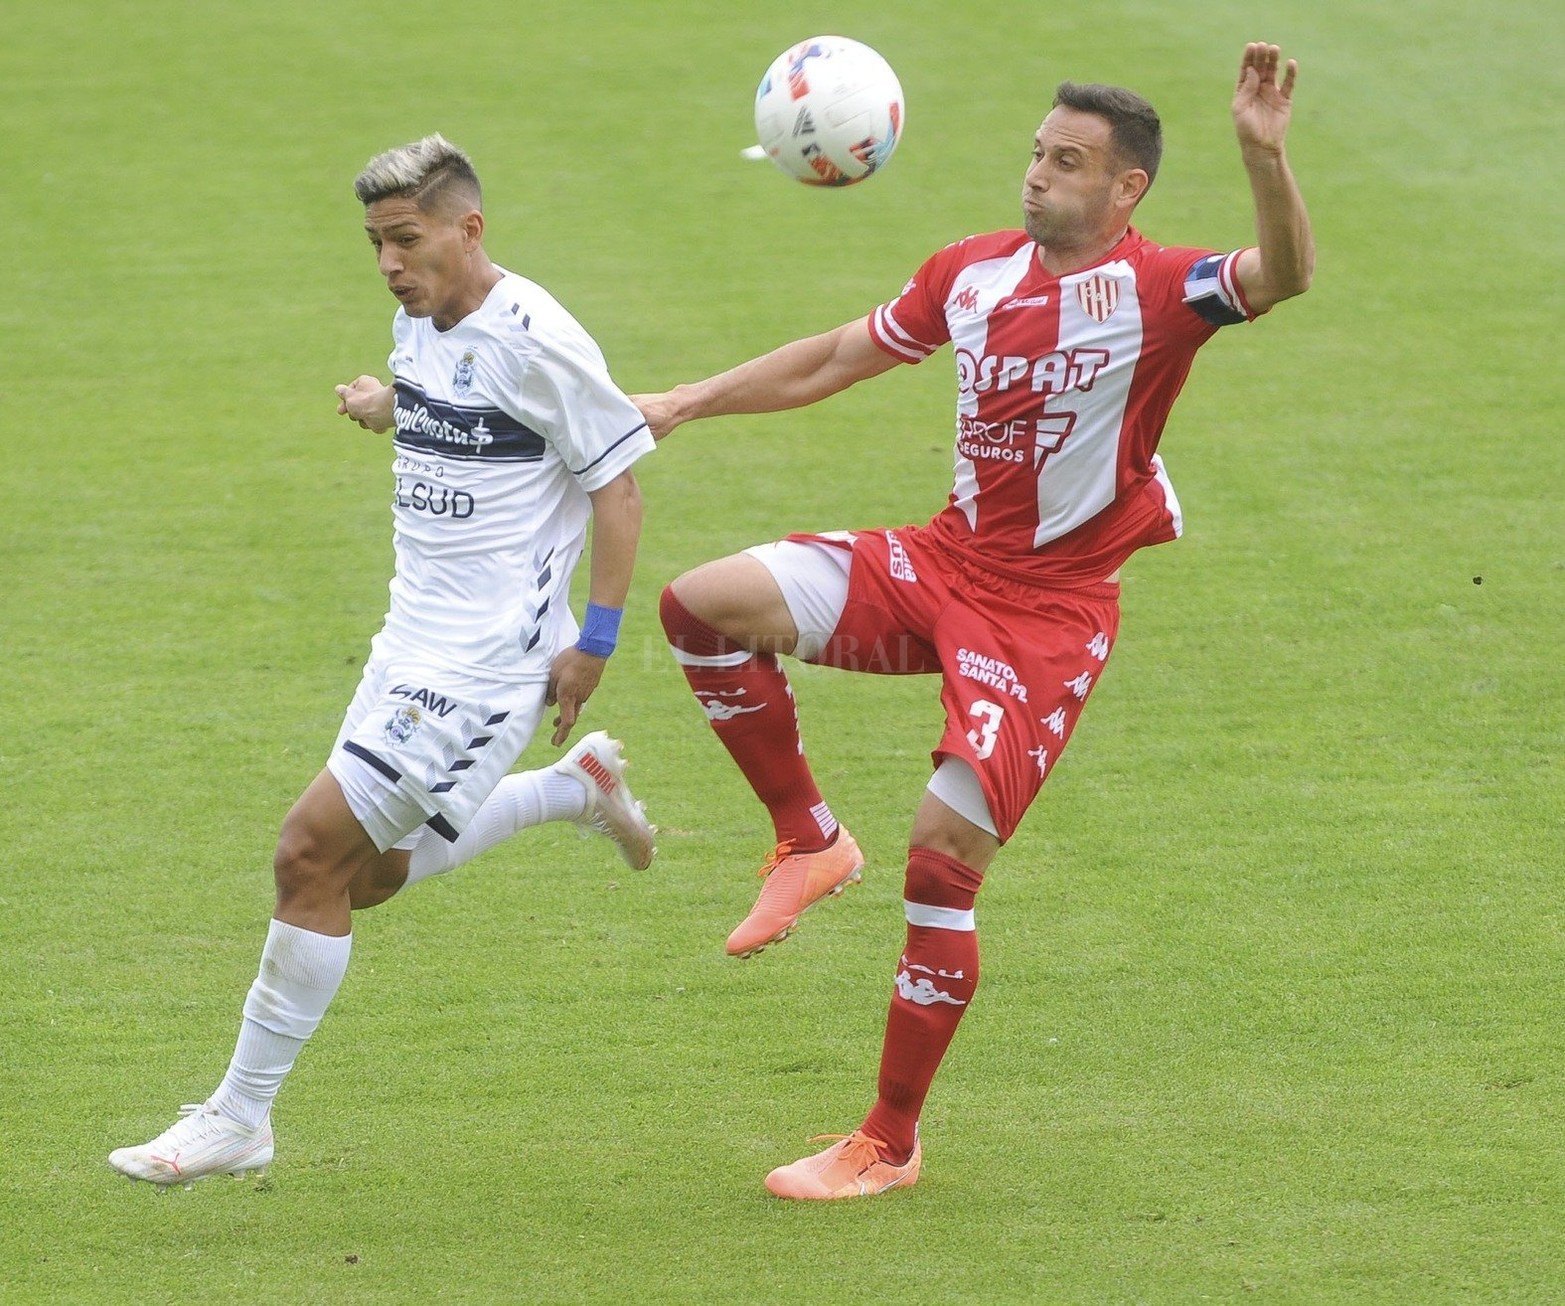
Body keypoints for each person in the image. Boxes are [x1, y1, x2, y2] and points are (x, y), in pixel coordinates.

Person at [635, 44, 1313, 1200]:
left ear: (1125, 188)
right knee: (700, 605)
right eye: (1036, 155)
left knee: (943, 864)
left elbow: (1282, 275)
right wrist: (686, 401)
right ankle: (807, 838)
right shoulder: (971, 273)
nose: (1037, 178)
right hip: (943, 562)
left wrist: (1262, 154)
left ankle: (886, 1143)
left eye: (1067, 163)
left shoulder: (1161, 289)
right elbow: (836, 359)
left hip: (1043, 618)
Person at [110, 135, 658, 1187]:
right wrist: (388, 407)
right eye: (374, 243)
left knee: (306, 857)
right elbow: (459, 409)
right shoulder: (418, 321)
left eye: (404, 240)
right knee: (367, 878)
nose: (388, 264)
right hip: (406, 637)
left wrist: (595, 639)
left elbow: (616, 485)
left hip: (484, 665)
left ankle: (240, 1115)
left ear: (469, 228)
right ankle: (570, 791)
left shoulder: (538, 337)